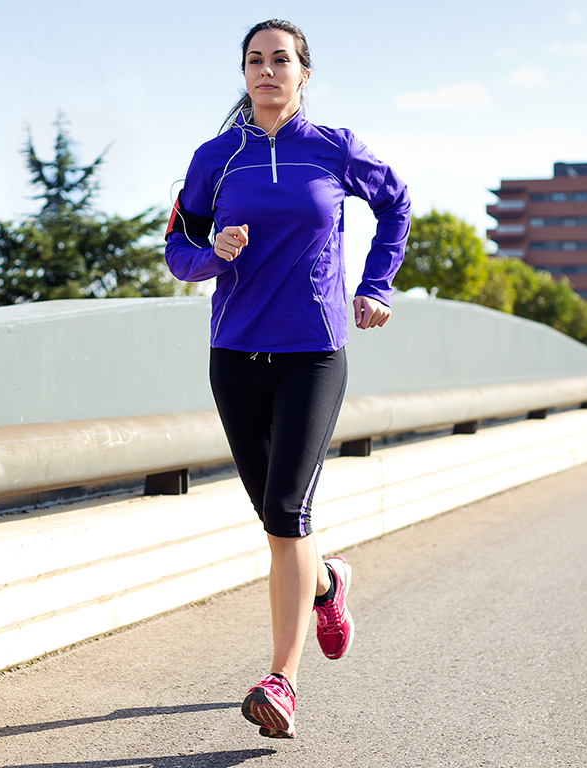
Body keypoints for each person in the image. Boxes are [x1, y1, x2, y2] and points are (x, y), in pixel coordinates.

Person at [164, 18, 410, 739]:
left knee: (284, 512)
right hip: (235, 354)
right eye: (255, 60)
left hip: (313, 352)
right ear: (243, 74)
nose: (267, 71)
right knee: (279, 522)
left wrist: (377, 284)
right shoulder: (216, 159)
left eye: (280, 59)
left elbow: (395, 204)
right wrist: (214, 253)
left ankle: (282, 682)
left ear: (305, 73)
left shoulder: (335, 148)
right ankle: (328, 583)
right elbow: (177, 250)